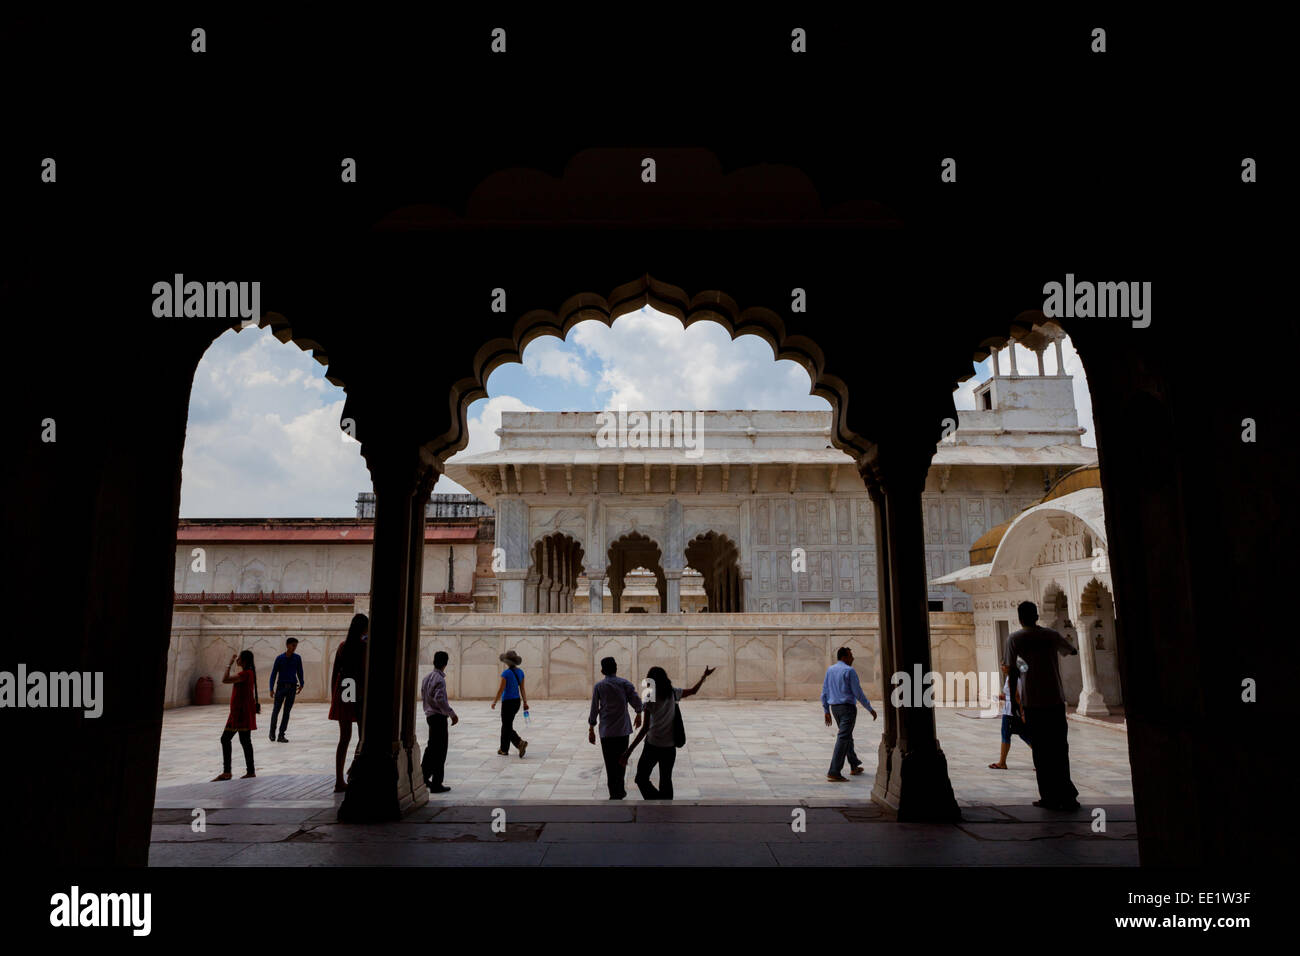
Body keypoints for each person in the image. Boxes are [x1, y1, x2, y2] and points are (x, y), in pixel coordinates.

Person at [1004, 600, 1081, 810]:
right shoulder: (1050, 635)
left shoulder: (1015, 638)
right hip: (1055, 700)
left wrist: (1013, 704)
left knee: (1041, 751)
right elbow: (1072, 651)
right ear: (1036, 616)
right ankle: (1067, 794)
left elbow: (1011, 671)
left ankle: (1048, 796)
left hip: (1033, 703)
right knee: (1059, 748)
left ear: (1020, 618)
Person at [621, 665, 715, 800]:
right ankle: (666, 808)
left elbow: (645, 728)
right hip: (669, 746)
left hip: (652, 744)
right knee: (666, 780)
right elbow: (693, 691)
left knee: (641, 778)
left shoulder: (650, 697)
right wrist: (704, 676)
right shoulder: (673, 693)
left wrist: (628, 752)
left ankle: (657, 802)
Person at [587, 657, 643, 800]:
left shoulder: (599, 687)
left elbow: (594, 708)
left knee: (610, 764)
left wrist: (591, 728)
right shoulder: (624, 684)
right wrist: (639, 713)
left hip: (606, 731)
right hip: (622, 730)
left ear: (602, 670)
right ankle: (620, 790)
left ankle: (614, 793)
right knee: (621, 761)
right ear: (616, 668)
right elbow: (636, 702)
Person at [821, 646, 878, 782]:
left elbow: (824, 691)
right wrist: (870, 708)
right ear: (844, 657)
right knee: (843, 737)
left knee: (846, 736)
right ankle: (834, 771)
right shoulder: (849, 670)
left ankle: (854, 765)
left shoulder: (830, 670)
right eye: (850, 656)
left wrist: (826, 710)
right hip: (847, 709)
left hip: (835, 708)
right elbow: (857, 692)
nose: (853, 658)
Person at [328, 613, 368, 793]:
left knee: (344, 737)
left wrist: (333, 696)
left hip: (345, 687)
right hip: (357, 688)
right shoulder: (364, 647)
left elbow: (335, 672)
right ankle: (353, 770)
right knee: (362, 736)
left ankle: (339, 779)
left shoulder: (343, 646)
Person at [212, 650, 258, 781]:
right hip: (239, 713)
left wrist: (229, 664)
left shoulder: (245, 674)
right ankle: (248, 771)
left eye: (239, 659)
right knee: (243, 741)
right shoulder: (248, 673)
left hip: (240, 714)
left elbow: (225, 679)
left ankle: (229, 772)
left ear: (244, 661)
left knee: (229, 739)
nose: (237, 660)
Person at [420, 650, 458, 793]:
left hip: (430, 716)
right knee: (440, 751)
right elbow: (440, 699)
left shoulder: (427, 678)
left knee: (431, 749)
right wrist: (452, 714)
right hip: (438, 717)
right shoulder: (439, 679)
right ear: (446, 663)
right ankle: (436, 783)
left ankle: (423, 777)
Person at [989, 663, 1032, 770]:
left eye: (1004, 665)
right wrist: (1002, 697)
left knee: (1006, 734)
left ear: (1010, 666)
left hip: (1011, 712)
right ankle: (1042, 760)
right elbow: (1011, 695)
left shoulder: (1012, 679)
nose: (1001, 667)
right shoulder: (1013, 677)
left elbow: (1017, 696)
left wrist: (1022, 713)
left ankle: (1002, 763)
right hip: (1013, 710)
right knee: (1024, 735)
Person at [490, 650, 528, 758]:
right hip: (517, 702)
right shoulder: (520, 672)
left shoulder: (506, 674)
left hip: (507, 702)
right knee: (506, 725)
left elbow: (501, 690)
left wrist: (494, 702)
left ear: (507, 662)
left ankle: (520, 742)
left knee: (506, 726)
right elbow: (522, 689)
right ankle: (503, 749)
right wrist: (525, 702)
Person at [268, 637, 304, 743]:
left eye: (295, 646)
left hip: (292, 687)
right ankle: (272, 733)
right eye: (293, 645)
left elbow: (300, 672)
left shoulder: (297, 658)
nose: (294, 648)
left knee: (286, 712)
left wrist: (302, 684)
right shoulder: (280, 658)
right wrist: (271, 688)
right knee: (276, 711)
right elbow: (273, 674)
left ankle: (281, 735)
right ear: (287, 645)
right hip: (281, 688)